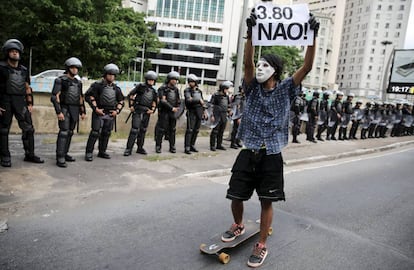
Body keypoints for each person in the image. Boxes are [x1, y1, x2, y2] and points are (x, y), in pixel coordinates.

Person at [221, 11, 319, 268]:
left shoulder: (287, 88)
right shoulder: (251, 86)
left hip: (272, 154)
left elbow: (307, 67)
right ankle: (238, 225)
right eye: (260, 65)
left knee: (267, 200)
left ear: (276, 71)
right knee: (236, 195)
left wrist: (312, 37)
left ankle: (262, 244)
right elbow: (248, 64)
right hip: (249, 150)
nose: (260, 68)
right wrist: (251, 34)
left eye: (266, 66)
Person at [0, 39, 44, 167]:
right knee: (3, 130)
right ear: (7, 53)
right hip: (5, 101)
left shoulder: (24, 70)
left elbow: (27, 87)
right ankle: (5, 156)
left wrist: (30, 103)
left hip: (20, 102)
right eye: (12, 51)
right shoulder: (1, 68)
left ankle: (30, 154)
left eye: (16, 51)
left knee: (29, 129)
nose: (15, 53)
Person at [51, 57, 86, 167]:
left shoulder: (78, 82)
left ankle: (65, 153)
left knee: (70, 132)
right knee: (64, 132)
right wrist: (58, 112)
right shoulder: (60, 80)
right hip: (64, 108)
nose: (75, 70)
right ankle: (60, 156)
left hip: (75, 109)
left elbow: (80, 97)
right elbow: (54, 96)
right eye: (73, 67)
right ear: (68, 68)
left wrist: (83, 111)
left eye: (77, 68)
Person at [84, 63, 124, 161]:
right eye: (110, 74)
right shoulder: (97, 85)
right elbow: (88, 96)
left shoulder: (116, 88)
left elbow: (121, 101)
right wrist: (96, 109)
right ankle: (89, 152)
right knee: (95, 132)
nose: (112, 77)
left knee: (106, 133)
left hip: (110, 113)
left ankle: (102, 151)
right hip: (99, 112)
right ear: (105, 75)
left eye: (113, 75)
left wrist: (117, 111)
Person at [124, 71, 158, 156]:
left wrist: (153, 110)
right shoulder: (140, 87)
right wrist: (131, 106)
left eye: (152, 80)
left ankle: (140, 148)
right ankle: (128, 149)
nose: (151, 81)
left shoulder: (153, 91)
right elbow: (131, 95)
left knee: (143, 130)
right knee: (134, 130)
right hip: (138, 110)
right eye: (149, 80)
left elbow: (154, 101)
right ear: (146, 80)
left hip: (147, 112)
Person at [155, 71, 181, 153]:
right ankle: (158, 146)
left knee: (172, 130)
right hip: (164, 112)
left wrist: (178, 107)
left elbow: (178, 99)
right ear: (169, 79)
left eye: (176, 80)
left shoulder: (176, 89)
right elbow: (163, 101)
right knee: (161, 130)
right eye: (173, 79)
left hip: (173, 113)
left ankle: (172, 146)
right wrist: (171, 108)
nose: (175, 81)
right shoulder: (163, 88)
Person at [183, 74, 206, 154]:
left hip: (199, 111)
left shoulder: (199, 91)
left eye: (192, 82)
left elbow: (203, 102)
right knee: (190, 130)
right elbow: (188, 100)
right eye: (189, 82)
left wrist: (204, 112)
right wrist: (198, 100)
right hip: (191, 111)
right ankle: (187, 147)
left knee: (196, 130)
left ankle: (192, 145)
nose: (190, 83)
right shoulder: (187, 90)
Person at [209, 81, 232, 151]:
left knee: (221, 131)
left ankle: (219, 145)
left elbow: (228, 105)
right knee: (215, 131)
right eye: (226, 89)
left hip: (224, 115)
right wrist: (212, 115)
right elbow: (211, 105)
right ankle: (212, 145)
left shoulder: (226, 96)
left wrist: (229, 110)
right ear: (223, 88)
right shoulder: (216, 95)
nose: (227, 90)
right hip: (217, 114)